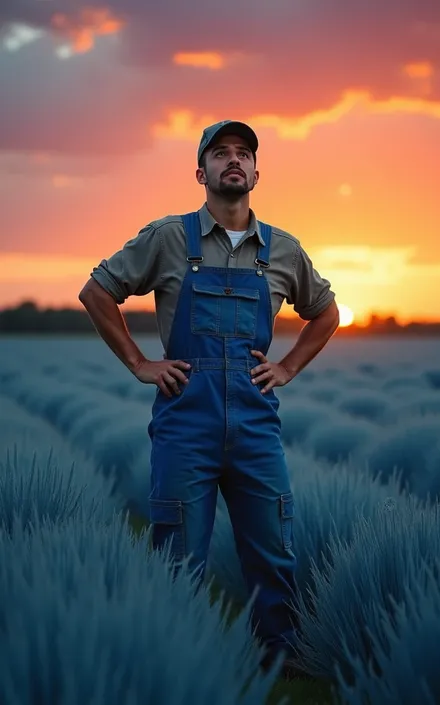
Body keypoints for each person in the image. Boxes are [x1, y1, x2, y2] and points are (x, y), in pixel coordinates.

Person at [78, 119, 340, 677]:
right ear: (202, 172)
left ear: (257, 173)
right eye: (221, 154)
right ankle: (174, 664)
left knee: (273, 551)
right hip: (185, 424)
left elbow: (326, 311)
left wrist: (288, 367)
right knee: (179, 556)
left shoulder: (284, 250)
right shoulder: (168, 238)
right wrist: (139, 362)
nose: (234, 161)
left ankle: (281, 664)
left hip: (255, 424)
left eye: (244, 153)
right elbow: (98, 291)